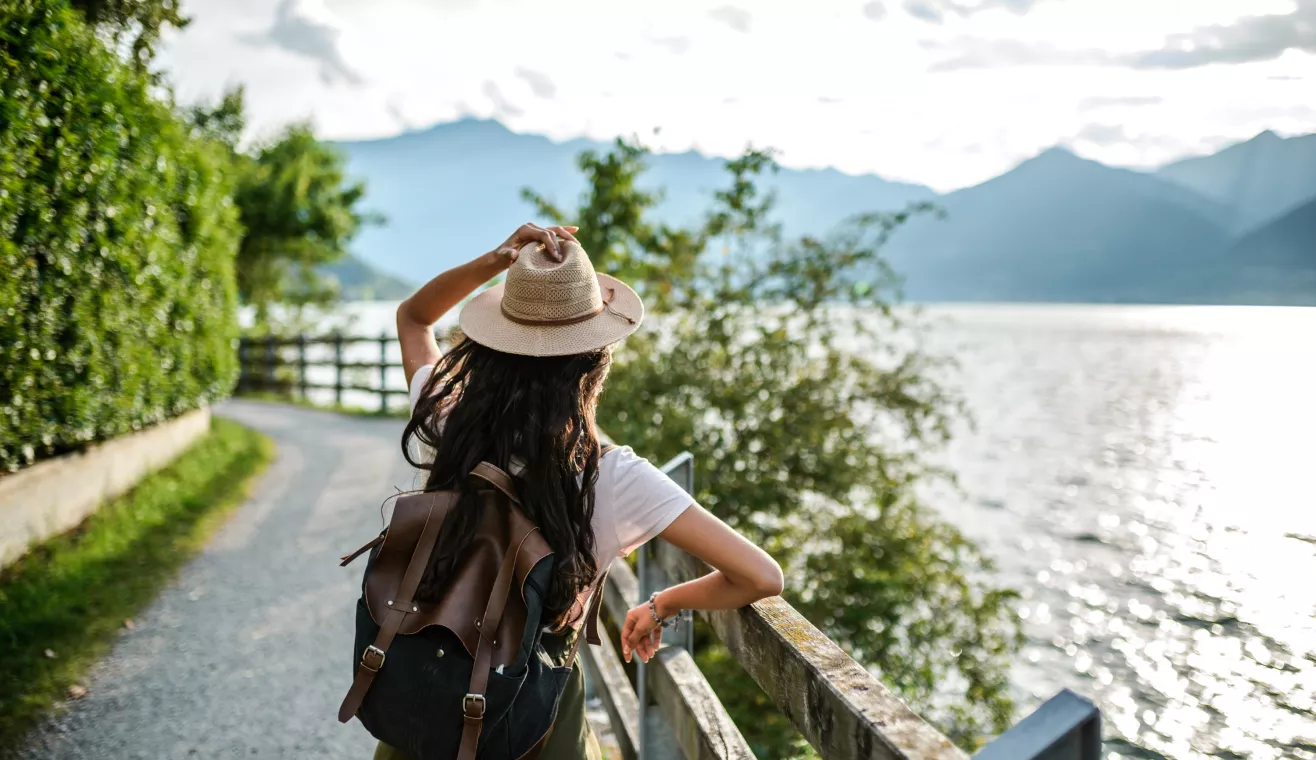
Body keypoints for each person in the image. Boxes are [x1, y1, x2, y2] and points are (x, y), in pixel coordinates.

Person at [380, 222, 783, 760]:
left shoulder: (446, 417)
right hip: (536, 723)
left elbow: (414, 316)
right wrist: (662, 605)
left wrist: (501, 260)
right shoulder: (613, 476)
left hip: (429, 699)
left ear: (491, 344)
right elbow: (760, 576)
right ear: (595, 361)